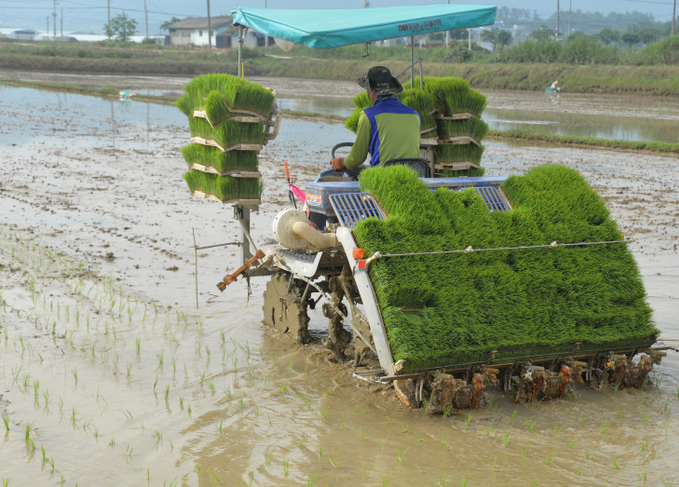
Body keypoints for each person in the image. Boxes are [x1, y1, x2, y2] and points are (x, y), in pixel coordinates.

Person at [330, 66, 421, 172]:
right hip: (413, 177)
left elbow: (357, 158)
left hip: (382, 177)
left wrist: (342, 162)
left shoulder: (368, 115)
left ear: (371, 91)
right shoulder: (414, 115)